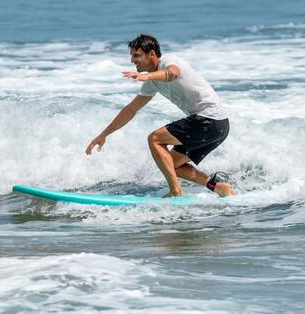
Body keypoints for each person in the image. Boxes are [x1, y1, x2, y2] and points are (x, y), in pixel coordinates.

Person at [85, 34, 235, 197]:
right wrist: (104, 134)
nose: (132, 61)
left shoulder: (169, 61)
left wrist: (147, 76)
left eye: (136, 55)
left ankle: (175, 191)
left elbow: (172, 74)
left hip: (209, 119)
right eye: (131, 56)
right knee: (171, 164)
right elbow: (131, 110)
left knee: (155, 139)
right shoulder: (152, 82)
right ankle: (218, 187)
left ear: (151, 54)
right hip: (219, 125)